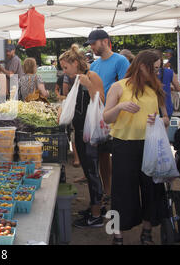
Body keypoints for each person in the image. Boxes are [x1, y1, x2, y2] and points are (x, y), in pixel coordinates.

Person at [103, 50, 169, 245]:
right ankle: (117, 236)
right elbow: (106, 117)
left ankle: (146, 232)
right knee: (121, 191)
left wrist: (159, 120)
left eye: (158, 69)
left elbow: (166, 118)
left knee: (151, 189)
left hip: (150, 145)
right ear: (142, 66)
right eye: (154, 69)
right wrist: (120, 107)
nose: (157, 73)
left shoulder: (155, 89)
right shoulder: (118, 87)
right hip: (123, 145)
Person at [59, 45, 105, 228]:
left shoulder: (91, 76)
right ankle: (95, 208)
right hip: (80, 132)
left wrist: (88, 85)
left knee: (92, 173)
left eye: (65, 67)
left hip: (89, 133)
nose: (64, 71)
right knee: (88, 171)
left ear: (75, 63)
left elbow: (101, 100)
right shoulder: (76, 79)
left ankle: (96, 216)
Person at [85, 29, 130, 208]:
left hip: (118, 117)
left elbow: (127, 87)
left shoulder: (120, 60)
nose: (92, 47)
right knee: (103, 156)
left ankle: (123, 193)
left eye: (93, 43)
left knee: (120, 156)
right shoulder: (94, 66)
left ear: (105, 41)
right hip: (100, 118)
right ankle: (108, 192)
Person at [154, 50, 180, 118]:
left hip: (150, 110)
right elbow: (178, 89)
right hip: (166, 108)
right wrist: (169, 88)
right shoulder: (170, 72)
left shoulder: (144, 73)